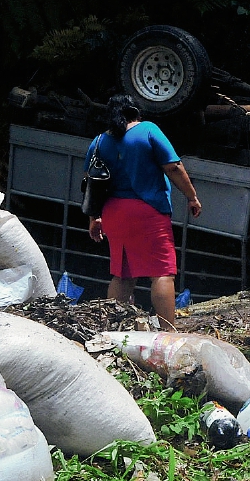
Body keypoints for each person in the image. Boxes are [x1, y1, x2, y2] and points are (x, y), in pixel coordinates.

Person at [87, 94, 203, 329]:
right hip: (147, 211)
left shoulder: (99, 141)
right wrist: (191, 196)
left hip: (113, 213)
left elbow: (92, 183)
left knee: (122, 275)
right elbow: (173, 167)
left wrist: (94, 217)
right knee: (161, 272)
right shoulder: (148, 130)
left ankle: (110, 330)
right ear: (136, 112)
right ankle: (168, 332)